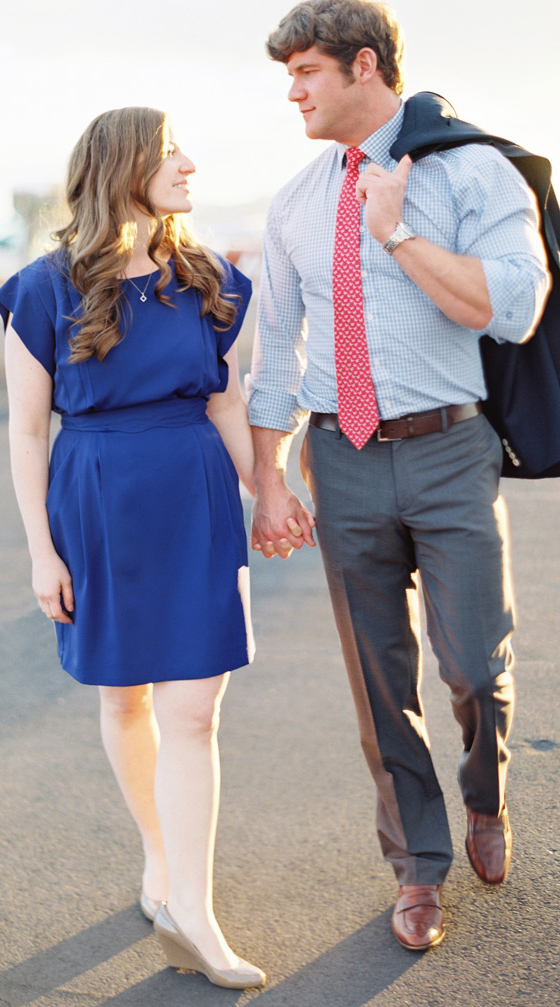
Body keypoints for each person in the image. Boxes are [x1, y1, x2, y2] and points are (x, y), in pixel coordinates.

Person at [248, 0, 550, 951]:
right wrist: (273, 477)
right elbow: (275, 354)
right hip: (341, 455)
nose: (291, 92)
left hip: (451, 450)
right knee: (379, 681)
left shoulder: (472, 169)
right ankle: (418, 866)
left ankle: (486, 795)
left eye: (307, 73)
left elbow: (517, 307)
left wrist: (398, 234)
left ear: (365, 65)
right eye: (287, 76)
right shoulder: (294, 200)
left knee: (471, 661)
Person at [0, 107, 265, 990]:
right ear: (121, 169)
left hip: (194, 495)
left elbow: (227, 403)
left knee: (194, 710)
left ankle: (195, 908)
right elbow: (28, 433)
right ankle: (163, 861)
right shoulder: (42, 289)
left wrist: (271, 496)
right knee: (125, 703)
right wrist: (42, 550)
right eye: (169, 151)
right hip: (97, 502)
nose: (190, 163)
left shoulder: (208, 276)